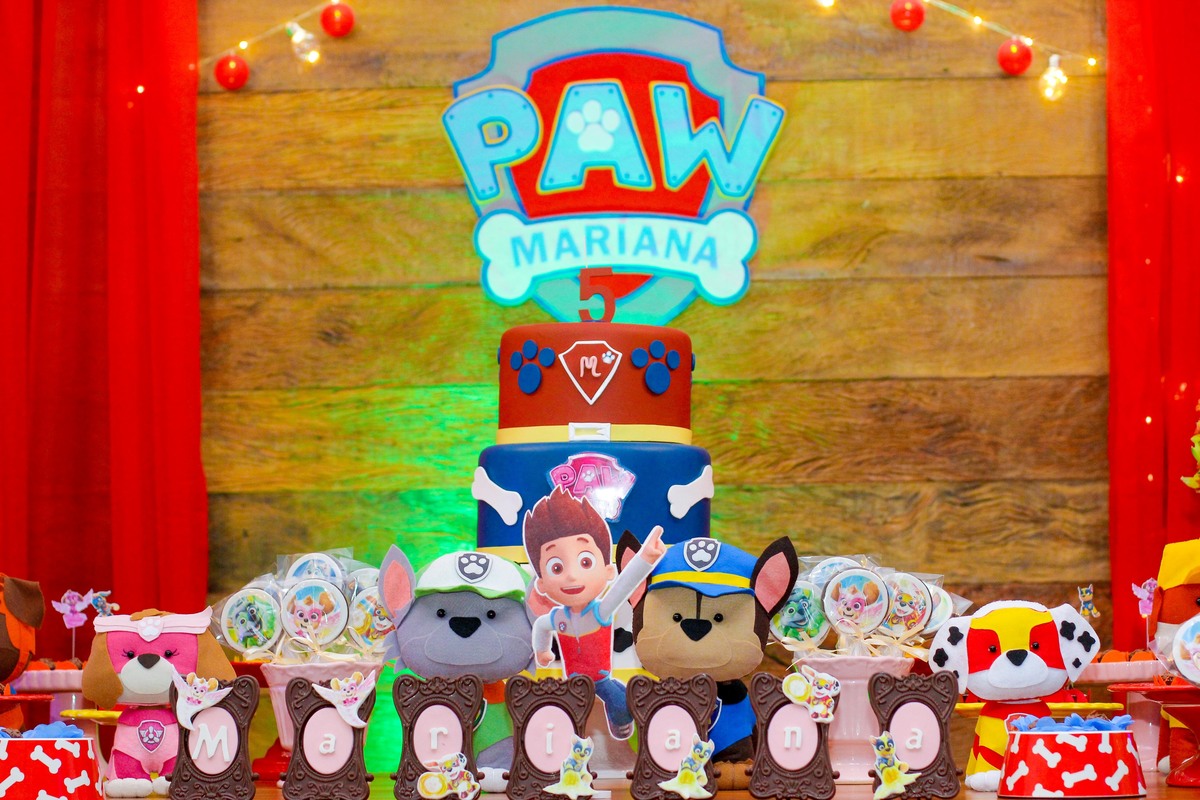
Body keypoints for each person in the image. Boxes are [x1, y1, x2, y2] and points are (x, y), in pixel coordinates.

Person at [523, 487, 664, 738]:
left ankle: (622, 724)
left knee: (620, 703)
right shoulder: (559, 618)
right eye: (556, 567)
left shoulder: (601, 611)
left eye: (585, 562)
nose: (571, 576)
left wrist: (646, 558)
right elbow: (542, 626)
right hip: (573, 683)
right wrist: (542, 650)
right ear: (541, 584)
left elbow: (624, 585)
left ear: (608, 571)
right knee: (563, 710)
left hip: (600, 679)